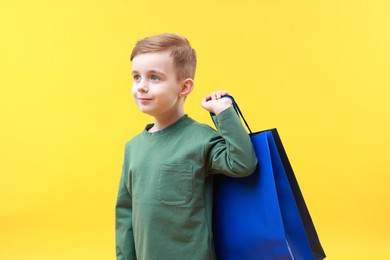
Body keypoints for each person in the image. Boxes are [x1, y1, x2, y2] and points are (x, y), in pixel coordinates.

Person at [115, 33, 258, 260]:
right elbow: (125, 214)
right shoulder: (133, 147)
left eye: (154, 77)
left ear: (184, 87)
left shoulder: (200, 138)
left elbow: (243, 163)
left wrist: (223, 112)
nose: (141, 87)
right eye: (136, 77)